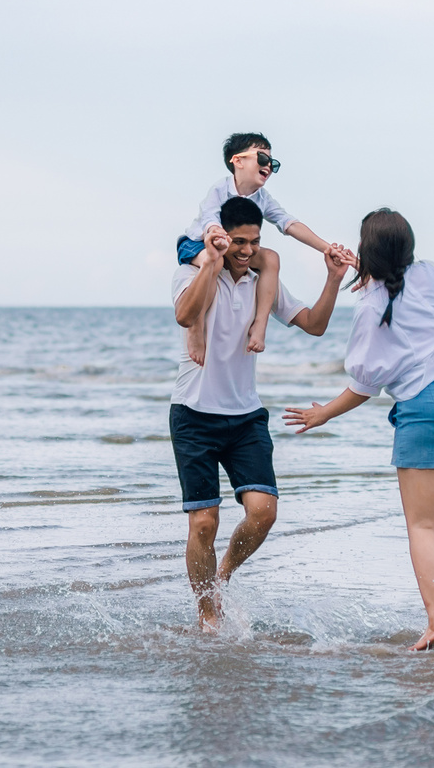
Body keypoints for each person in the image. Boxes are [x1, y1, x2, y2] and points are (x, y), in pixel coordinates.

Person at [283, 208, 434, 651]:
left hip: (432, 405)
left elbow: (365, 384)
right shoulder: (430, 274)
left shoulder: (371, 308)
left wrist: (322, 414)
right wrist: (378, 273)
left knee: (419, 523)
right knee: (433, 504)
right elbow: (414, 281)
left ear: (363, 252)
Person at [171, 194, 352, 631]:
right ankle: (207, 612)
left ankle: (224, 573)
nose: (247, 250)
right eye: (238, 241)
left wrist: (332, 280)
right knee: (203, 523)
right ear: (219, 237)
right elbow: (184, 314)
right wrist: (211, 264)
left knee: (264, 511)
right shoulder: (191, 271)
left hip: (246, 416)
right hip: (193, 413)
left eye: (253, 241)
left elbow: (313, 323)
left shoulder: (261, 281)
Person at [175, 132, 352, 363]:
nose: (268, 165)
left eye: (272, 163)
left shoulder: (262, 197)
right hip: (198, 244)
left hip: (228, 247)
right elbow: (209, 218)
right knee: (216, 261)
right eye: (262, 158)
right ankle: (196, 329)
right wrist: (216, 235)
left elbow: (289, 223)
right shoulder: (219, 190)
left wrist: (327, 248)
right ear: (238, 161)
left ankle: (260, 324)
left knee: (271, 258)